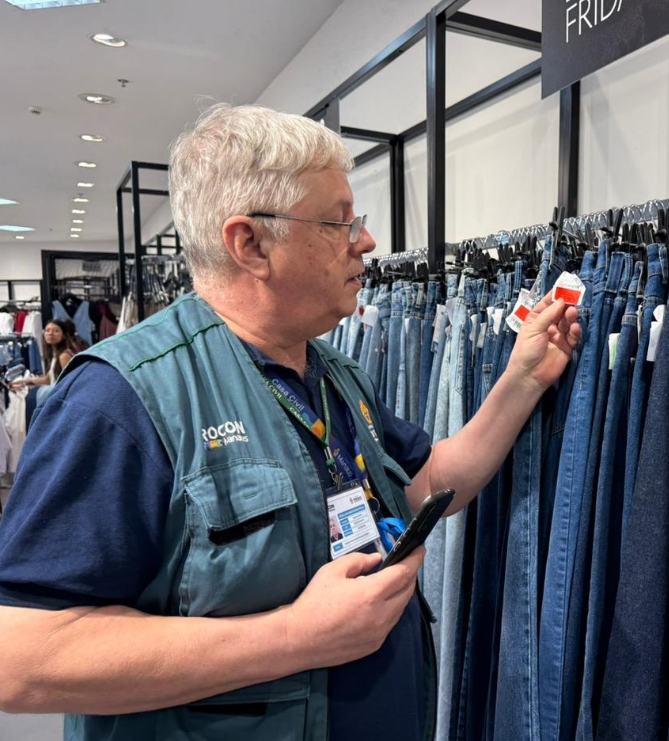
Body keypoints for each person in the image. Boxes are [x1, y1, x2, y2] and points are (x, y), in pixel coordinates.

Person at [0, 104, 581, 741]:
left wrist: (523, 378)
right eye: (337, 222)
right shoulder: (119, 400)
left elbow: (426, 485)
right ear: (250, 244)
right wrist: (293, 637)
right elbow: (22, 658)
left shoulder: (333, 374)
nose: (365, 241)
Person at [10, 319, 78, 393]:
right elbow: (47, 380)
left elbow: (70, 383)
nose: (50, 333)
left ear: (64, 335)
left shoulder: (64, 355)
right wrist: (25, 381)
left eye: (56, 331)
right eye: (47, 330)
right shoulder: (56, 355)